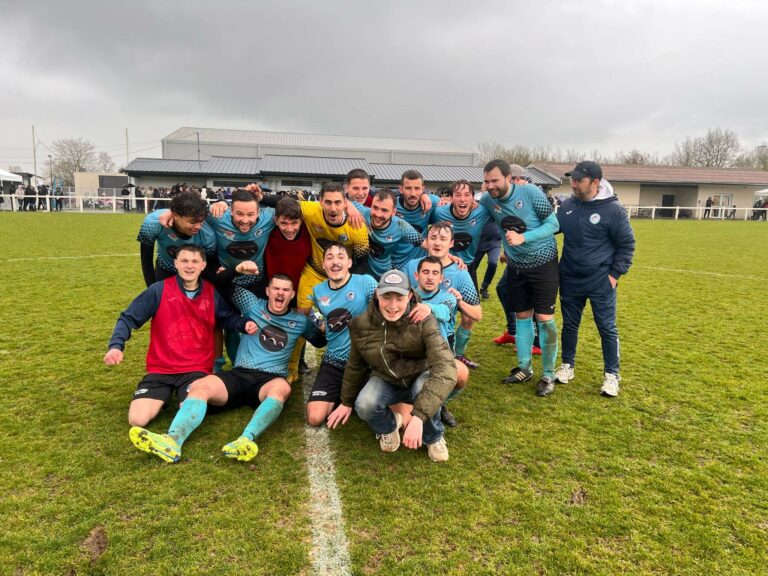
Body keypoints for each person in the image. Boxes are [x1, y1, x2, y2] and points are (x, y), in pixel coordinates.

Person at [129, 274, 324, 463]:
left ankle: (245, 440)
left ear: (291, 295)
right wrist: (237, 270)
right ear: (268, 291)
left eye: (285, 290)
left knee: (282, 389)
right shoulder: (252, 304)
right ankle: (172, 441)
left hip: (270, 379)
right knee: (200, 386)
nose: (280, 293)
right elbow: (220, 283)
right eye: (276, 288)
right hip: (239, 374)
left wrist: (323, 324)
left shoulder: (300, 321)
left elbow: (318, 340)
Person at [104, 245, 255, 428]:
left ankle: (180, 411)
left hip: (196, 369)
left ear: (203, 265)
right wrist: (116, 346)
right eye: (184, 261)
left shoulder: (211, 292)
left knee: (189, 411)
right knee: (137, 420)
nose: (189, 266)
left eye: (194, 261)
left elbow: (227, 319)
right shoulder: (158, 290)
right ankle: (163, 394)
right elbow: (128, 318)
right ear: (176, 264)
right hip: (161, 369)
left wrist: (243, 324)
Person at [327, 269, 457, 463]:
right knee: (364, 404)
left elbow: (445, 370)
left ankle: (433, 436)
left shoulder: (424, 320)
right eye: (387, 297)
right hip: (386, 379)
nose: (393, 305)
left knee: (425, 388)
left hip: (418, 376)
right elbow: (355, 366)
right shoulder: (361, 325)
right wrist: (346, 402)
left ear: (410, 296)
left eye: (400, 298)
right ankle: (389, 426)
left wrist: (418, 417)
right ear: (377, 295)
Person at [480, 159, 560, 397]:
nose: (490, 186)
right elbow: (471, 217)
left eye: (495, 180)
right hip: (516, 267)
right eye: (486, 181)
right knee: (522, 316)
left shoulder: (530, 192)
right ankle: (524, 368)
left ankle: (548, 374)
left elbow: (553, 223)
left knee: (545, 319)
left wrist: (525, 238)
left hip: (544, 263)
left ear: (508, 177)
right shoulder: (487, 199)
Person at [555, 161, 635, 397]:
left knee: (606, 328)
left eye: (579, 180)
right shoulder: (567, 206)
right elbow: (551, 229)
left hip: (601, 280)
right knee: (570, 325)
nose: (573, 183)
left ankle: (612, 375)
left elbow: (627, 245)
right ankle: (567, 365)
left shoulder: (614, 210)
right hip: (570, 277)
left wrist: (614, 275)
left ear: (595, 183)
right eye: (572, 179)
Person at [306, 243, 377, 426]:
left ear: (350, 263)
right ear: (323, 265)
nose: (335, 262)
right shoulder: (318, 291)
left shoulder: (366, 282)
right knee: (314, 418)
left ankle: (350, 397)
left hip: (365, 363)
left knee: (372, 406)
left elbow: (382, 309)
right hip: (334, 362)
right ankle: (345, 394)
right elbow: (324, 319)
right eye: (329, 257)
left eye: (340, 257)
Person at [403, 222, 483, 369]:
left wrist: (459, 302)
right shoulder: (412, 266)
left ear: (451, 243)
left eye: (443, 239)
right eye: (433, 237)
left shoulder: (460, 273)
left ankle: (458, 355)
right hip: (411, 334)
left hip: (443, 338)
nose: (437, 243)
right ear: (427, 241)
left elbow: (477, 314)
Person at [411, 256, 469, 427]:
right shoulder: (407, 298)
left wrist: (428, 308)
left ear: (441, 278)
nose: (430, 277)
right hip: (412, 357)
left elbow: (444, 312)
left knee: (461, 375)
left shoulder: (448, 297)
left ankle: (440, 403)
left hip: (438, 357)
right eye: (425, 272)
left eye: (435, 273)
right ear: (417, 275)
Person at [137, 190, 218, 288]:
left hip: (193, 271)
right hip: (166, 267)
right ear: (175, 215)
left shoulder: (208, 235)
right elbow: (146, 258)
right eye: (192, 222)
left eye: (201, 222)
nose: (198, 227)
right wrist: (152, 289)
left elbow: (211, 265)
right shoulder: (153, 223)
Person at [353, 189, 424, 279]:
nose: (378, 214)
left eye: (384, 210)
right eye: (375, 208)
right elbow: (341, 199)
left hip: (384, 273)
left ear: (393, 212)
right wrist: (350, 209)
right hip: (360, 271)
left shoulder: (401, 226)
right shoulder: (361, 212)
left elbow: (424, 244)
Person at [469, 218, 502, 300]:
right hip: (479, 242)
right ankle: (472, 291)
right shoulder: (481, 207)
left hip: (495, 242)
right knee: (471, 268)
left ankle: (485, 287)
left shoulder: (497, 208)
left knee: (493, 263)